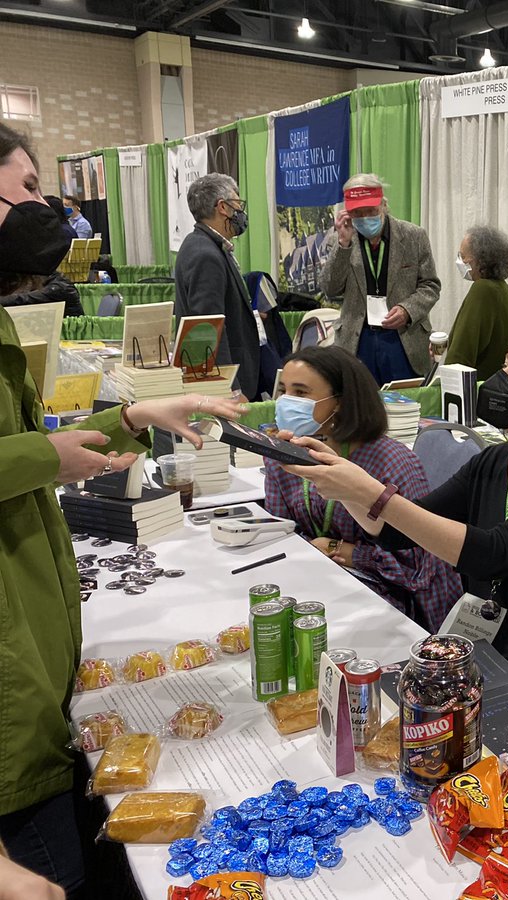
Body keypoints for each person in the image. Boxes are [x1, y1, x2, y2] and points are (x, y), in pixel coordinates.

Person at [0, 122, 247, 898]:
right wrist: (49, 459)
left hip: (35, 659)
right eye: (29, 187)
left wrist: (136, 417)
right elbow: (32, 454)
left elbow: (34, 444)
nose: (48, 209)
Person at [283, 328, 508, 775]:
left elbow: (492, 553)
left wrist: (374, 492)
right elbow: (399, 531)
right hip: (487, 670)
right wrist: (343, 481)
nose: (498, 381)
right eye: (504, 365)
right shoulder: (496, 461)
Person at [263, 346, 462, 631]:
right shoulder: (282, 455)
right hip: (319, 584)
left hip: (394, 602)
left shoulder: (392, 461)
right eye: (283, 390)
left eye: (301, 392)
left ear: (340, 402)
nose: (285, 401)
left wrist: (348, 552)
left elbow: (419, 567)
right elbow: (282, 532)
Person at [321, 173, 440, 385]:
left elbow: (430, 285)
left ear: (383, 205)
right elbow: (330, 288)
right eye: (358, 213)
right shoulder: (341, 239)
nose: (365, 217)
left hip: (402, 338)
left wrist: (407, 309)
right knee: (361, 408)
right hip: (358, 339)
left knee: (407, 406)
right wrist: (344, 245)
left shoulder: (414, 236)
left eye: (370, 211)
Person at [174, 173, 261, 399]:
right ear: (223, 207)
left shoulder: (203, 245)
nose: (240, 210)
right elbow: (207, 328)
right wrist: (229, 388)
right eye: (236, 202)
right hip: (226, 380)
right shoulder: (205, 254)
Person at [445, 225, 508, 380]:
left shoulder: (482, 290)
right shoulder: (507, 293)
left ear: (479, 260)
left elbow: (461, 354)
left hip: (477, 392)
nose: (460, 261)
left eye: (462, 256)